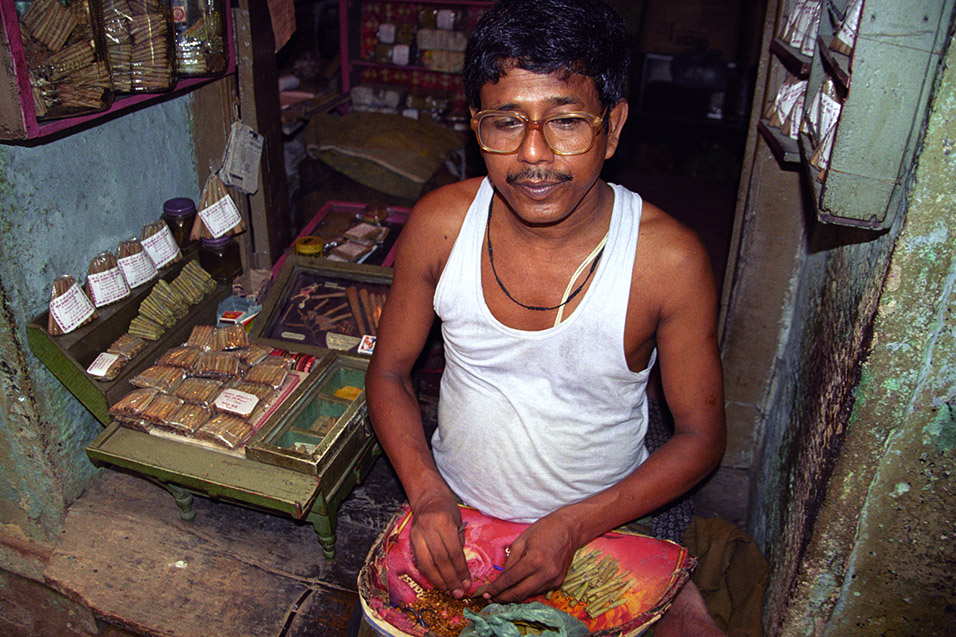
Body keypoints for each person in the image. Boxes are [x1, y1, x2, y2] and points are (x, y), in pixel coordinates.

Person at [365, 0, 726, 633]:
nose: (533, 154)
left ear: (612, 128)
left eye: (565, 121)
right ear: (475, 125)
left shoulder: (667, 261)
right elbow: (390, 373)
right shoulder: (441, 226)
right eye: (506, 122)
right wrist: (426, 494)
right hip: (454, 511)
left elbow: (700, 438)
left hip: (603, 520)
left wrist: (574, 524)